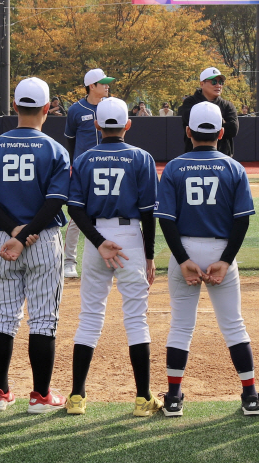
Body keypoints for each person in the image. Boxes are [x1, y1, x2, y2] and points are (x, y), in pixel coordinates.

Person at [0, 77, 71, 413]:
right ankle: (40, 397)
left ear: (15, 106)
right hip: (42, 238)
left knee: (2, 317)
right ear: (47, 108)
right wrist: (27, 233)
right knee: (42, 319)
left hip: (4, 239)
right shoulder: (55, 149)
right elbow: (56, 200)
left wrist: (14, 231)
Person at [155, 102, 259, 417]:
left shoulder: (174, 167)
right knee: (234, 325)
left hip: (184, 247)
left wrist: (183, 258)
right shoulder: (234, 168)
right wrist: (225, 260)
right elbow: (242, 221)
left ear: (188, 131)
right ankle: (250, 396)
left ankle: (174, 398)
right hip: (220, 249)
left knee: (181, 326)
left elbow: (166, 221)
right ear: (222, 132)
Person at [64, 97, 161, 417]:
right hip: (130, 237)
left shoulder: (84, 159)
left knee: (90, 317)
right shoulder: (141, 157)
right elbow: (148, 213)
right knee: (136, 318)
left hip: (97, 239)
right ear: (127, 125)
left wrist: (97, 241)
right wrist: (149, 256)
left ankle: (76, 397)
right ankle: (143, 399)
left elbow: (74, 208)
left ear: (96, 125)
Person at [62, 68, 116, 280]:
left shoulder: (112, 106)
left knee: (111, 213)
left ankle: (111, 256)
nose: (107, 86)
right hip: (84, 170)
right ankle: (69, 262)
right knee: (77, 216)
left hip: (109, 168)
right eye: (103, 83)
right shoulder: (76, 109)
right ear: (91, 86)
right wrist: (77, 163)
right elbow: (70, 139)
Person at [178, 67, 239, 156]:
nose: (218, 85)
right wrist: (222, 122)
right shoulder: (190, 102)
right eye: (214, 82)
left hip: (221, 157)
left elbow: (233, 130)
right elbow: (191, 122)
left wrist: (206, 122)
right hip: (194, 156)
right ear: (202, 84)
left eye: (221, 82)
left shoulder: (227, 105)